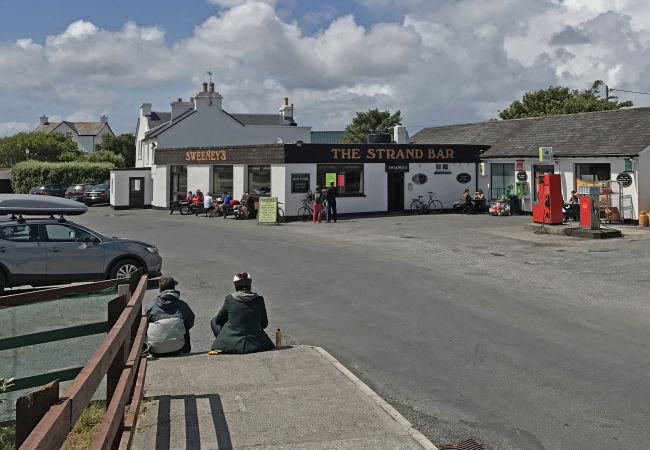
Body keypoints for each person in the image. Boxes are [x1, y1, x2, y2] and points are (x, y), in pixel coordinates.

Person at [210, 273, 275, 354]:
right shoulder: (259, 299)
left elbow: (218, 321)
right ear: (250, 284)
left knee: (213, 321)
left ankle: (226, 343)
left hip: (234, 343)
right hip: (256, 343)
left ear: (236, 285)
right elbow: (264, 324)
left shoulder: (230, 299)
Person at [145, 276, 195, 356]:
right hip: (178, 350)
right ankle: (185, 353)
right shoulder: (183, 305)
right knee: (185, 326)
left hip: (154, 351)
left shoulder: (152, 306)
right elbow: (190, 323)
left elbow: (145, 325)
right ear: (174, 288)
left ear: (160, 290)